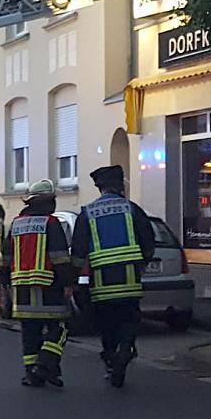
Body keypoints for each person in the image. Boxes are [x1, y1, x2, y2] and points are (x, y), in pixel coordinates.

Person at [71, 165, 155, 388]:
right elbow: (148, 241)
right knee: (129, 320)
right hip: (129, 281)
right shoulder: (132, 209)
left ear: (99, 187)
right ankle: (125, 349)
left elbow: (78, 254)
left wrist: (76, 279)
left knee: (107, 323)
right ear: (120, 186)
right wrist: (142, 264)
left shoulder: (87, 213)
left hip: (101, 283)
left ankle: (111, 359)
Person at [0, 179, 74, 388]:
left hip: (22, 290)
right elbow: (60, 257)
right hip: (49, 287)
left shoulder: (16, 223)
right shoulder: (51, 223)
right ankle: (45, 363)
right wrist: (68, 283)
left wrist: (3, 284)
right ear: (46, 202)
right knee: (60, 329)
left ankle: (32, 374)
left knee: (29, 333)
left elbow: (4, 257)